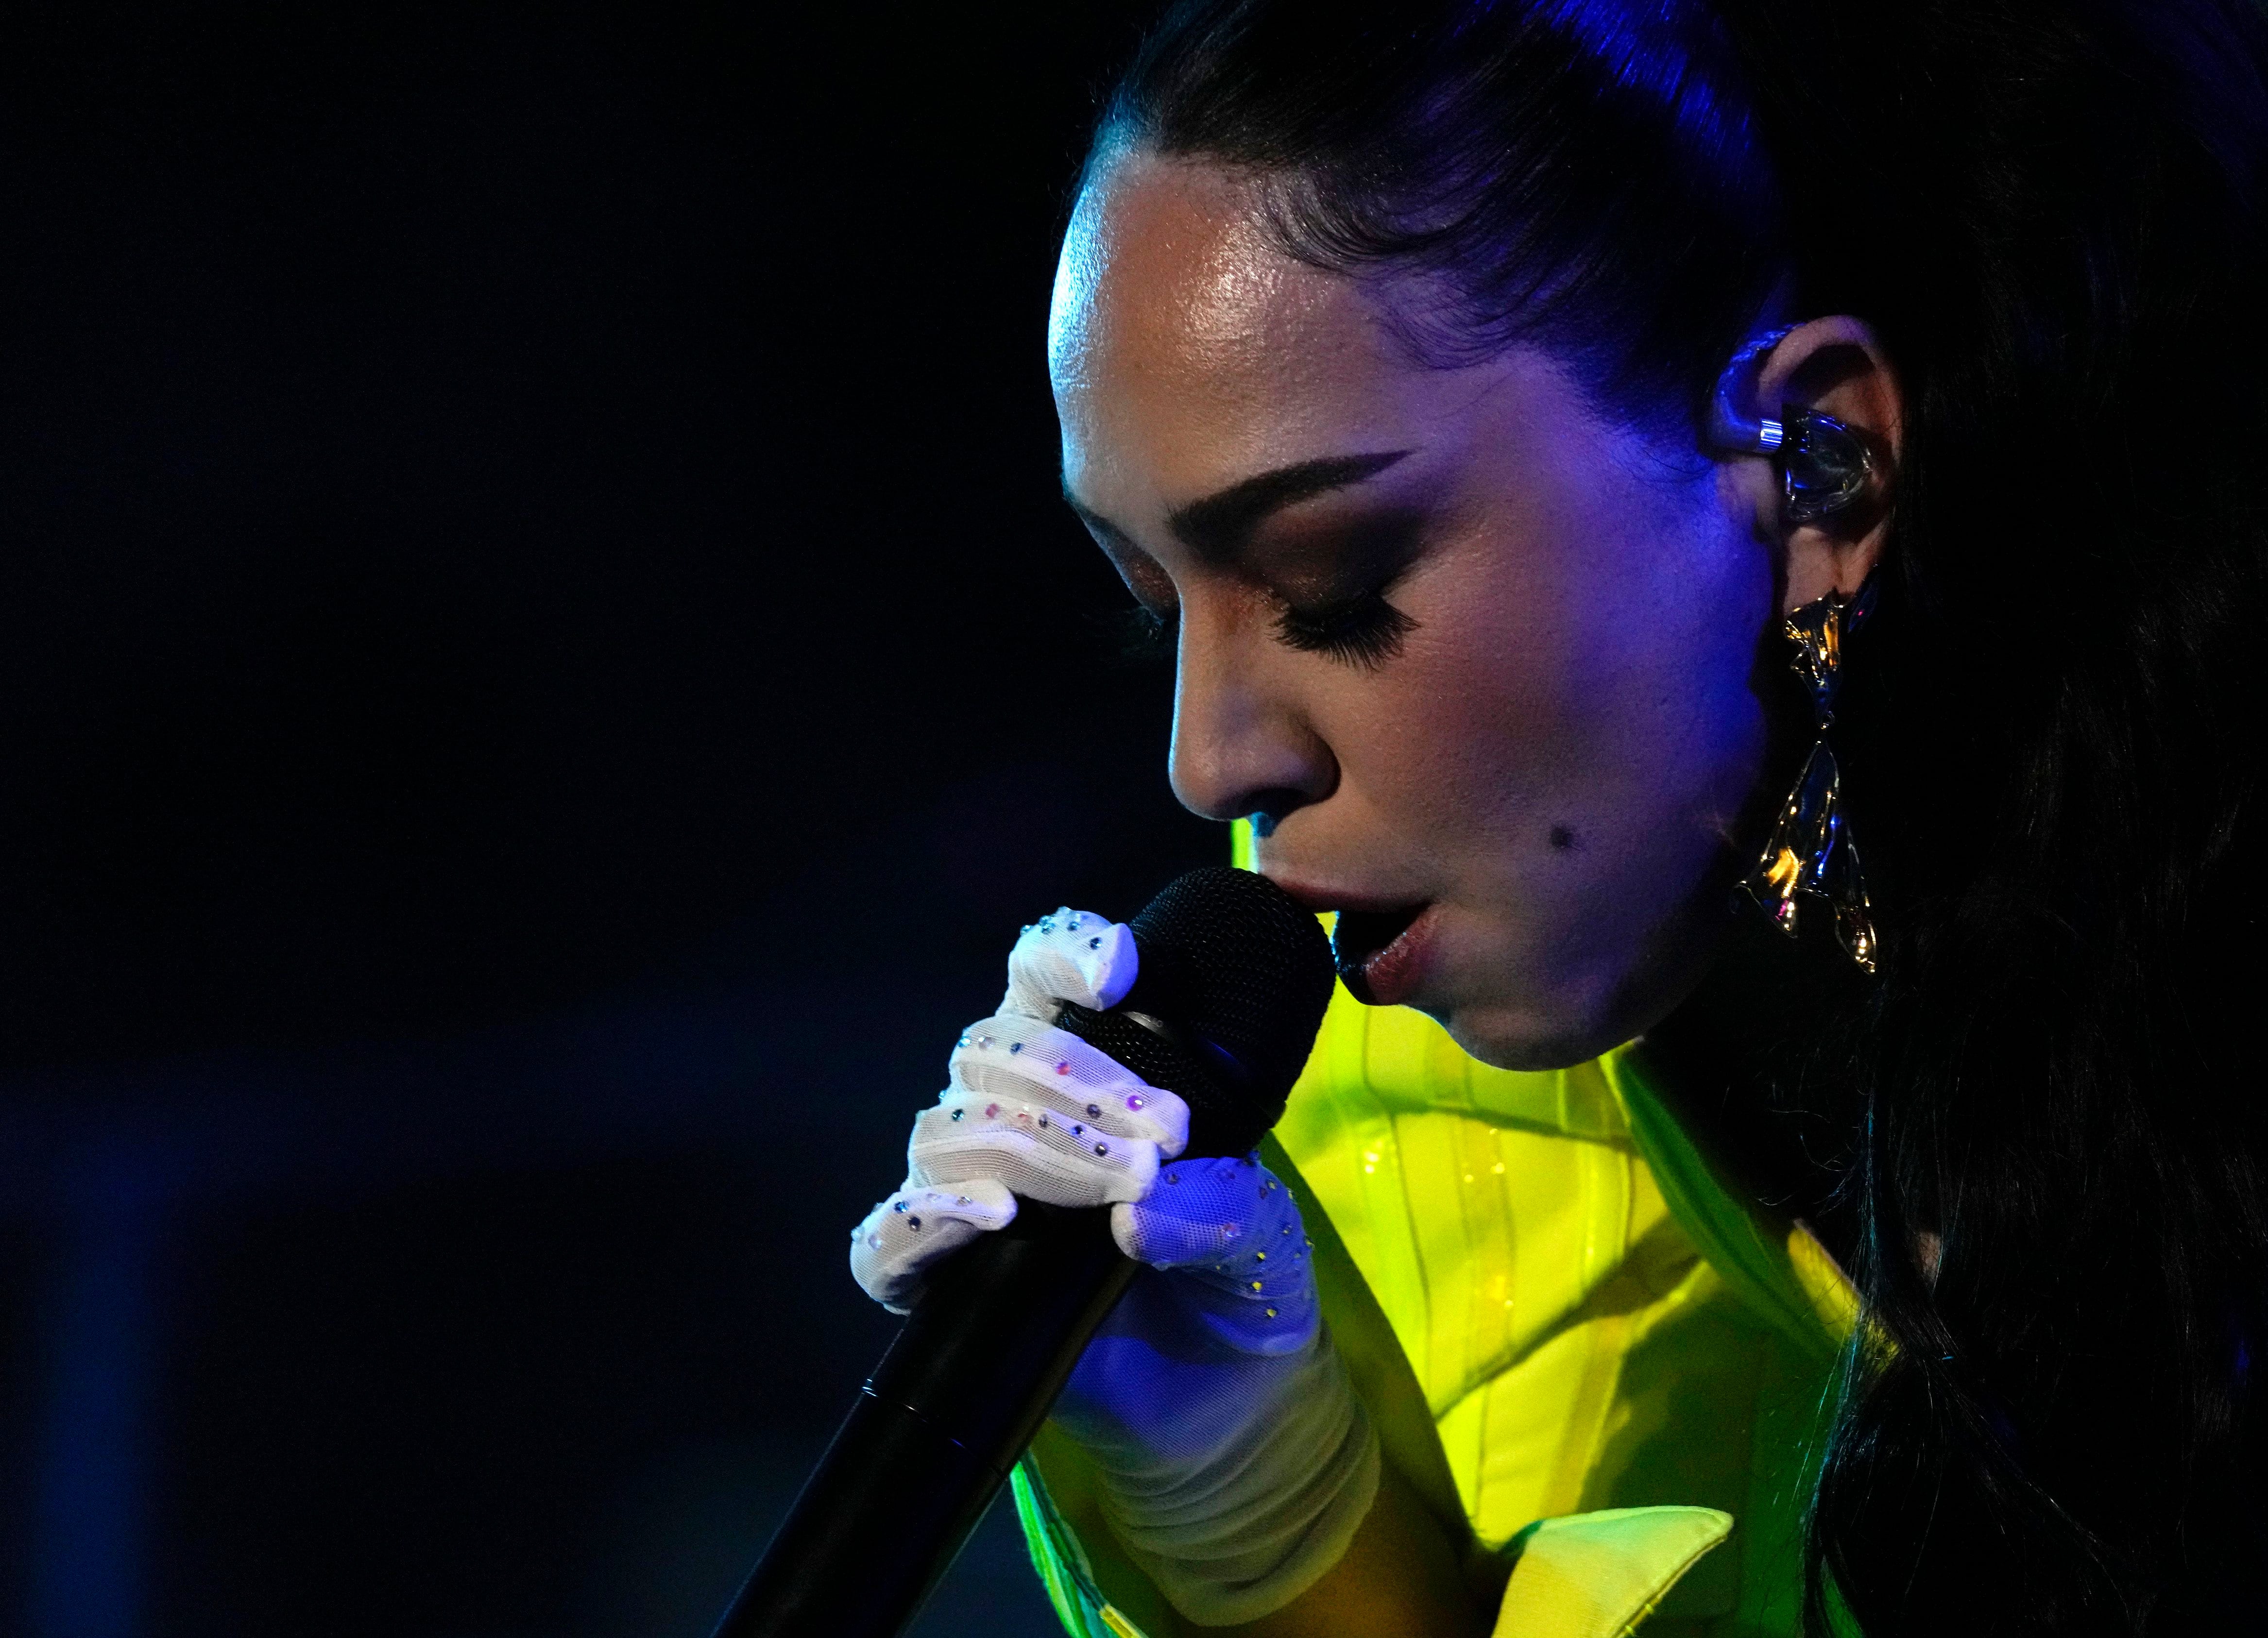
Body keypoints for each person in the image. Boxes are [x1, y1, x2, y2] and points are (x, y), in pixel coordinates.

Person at [850, 1, 2268, 1632]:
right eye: (1154, 607)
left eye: (1336, 582)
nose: (1210, 765)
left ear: (1821, 469)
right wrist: (1271, 1534)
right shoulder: (1371, 1104)